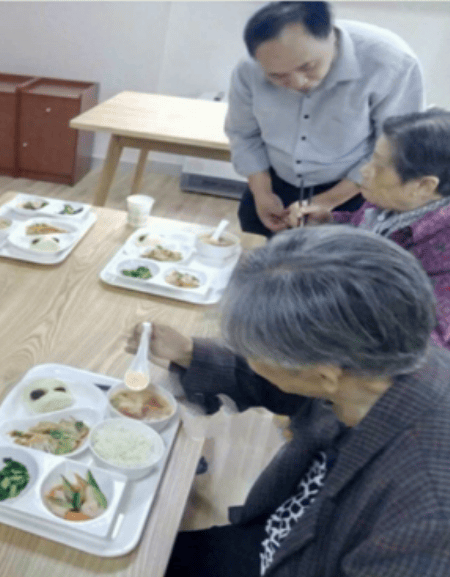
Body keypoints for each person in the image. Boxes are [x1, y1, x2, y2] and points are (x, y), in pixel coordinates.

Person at [125, 227, 449, 576]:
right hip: (280, 536)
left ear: (324, 374)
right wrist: (189, 352)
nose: (248, 359)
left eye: (251, 353)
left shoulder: (426, 515)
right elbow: (289, 383)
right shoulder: (382, 350)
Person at [225, 1, 424, 237]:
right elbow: (243, 133)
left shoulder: (391, 64)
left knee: (335, 257)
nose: (298, 83)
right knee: (256, 250)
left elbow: (396, 148)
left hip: (354, 190)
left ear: (331, 35)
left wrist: (329, 201)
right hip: (273, 182)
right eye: (278, 76)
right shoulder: (250, 68)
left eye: (308, 67)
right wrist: (262, 192)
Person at [288, 109, 450, 349]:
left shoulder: (443, 250)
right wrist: (330, 221)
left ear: (424, 185)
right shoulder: (391, 201)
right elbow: (364, 229)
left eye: (379, 165)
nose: (365, 170)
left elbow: (425, 340)